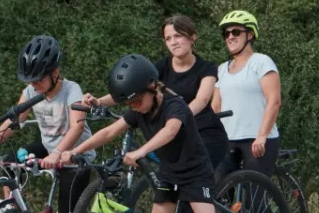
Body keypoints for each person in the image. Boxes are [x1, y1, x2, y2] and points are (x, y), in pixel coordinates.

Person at [61, 54, 267, 213]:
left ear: (152, 88)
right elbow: (109, 132)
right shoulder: (138, 109)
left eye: (137, 101)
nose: (134, 107)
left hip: (195, 175)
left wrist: (141, 151)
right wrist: (73, 152)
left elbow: (170, 131)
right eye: (130, 104)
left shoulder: (174, 105)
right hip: (170, 175)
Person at [84, 14, 228, 170]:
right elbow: (132, 88)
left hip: (204, 133)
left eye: (178, 36)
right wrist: (99, 102)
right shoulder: (162, 66)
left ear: (192, 38)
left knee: (194, 180)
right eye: (168, 38)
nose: (173, 42)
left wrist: (177, 117)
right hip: (175, 135)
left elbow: (202, 100)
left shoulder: (206, 68)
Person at [0, 34, 94, 213]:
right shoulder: (30, 91)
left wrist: (57, 153)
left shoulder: (72, 90)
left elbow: (77, 127)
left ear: (56, 72)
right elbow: (15, 121)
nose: (34, 85)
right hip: (49, 148)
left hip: (76, 154)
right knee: (9, 163)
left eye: (39, 80)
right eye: (30, 80)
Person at [212, 10, 282, 213]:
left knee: (255, 197)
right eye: (226, 33)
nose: (230, 37)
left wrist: (262, 134)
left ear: (249, 35)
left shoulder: (261, 63)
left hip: (258, 138)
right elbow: (215, 107)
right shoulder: (222, 69)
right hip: (229, 139)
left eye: (236, 32)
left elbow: (274, 101)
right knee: (214, 190)